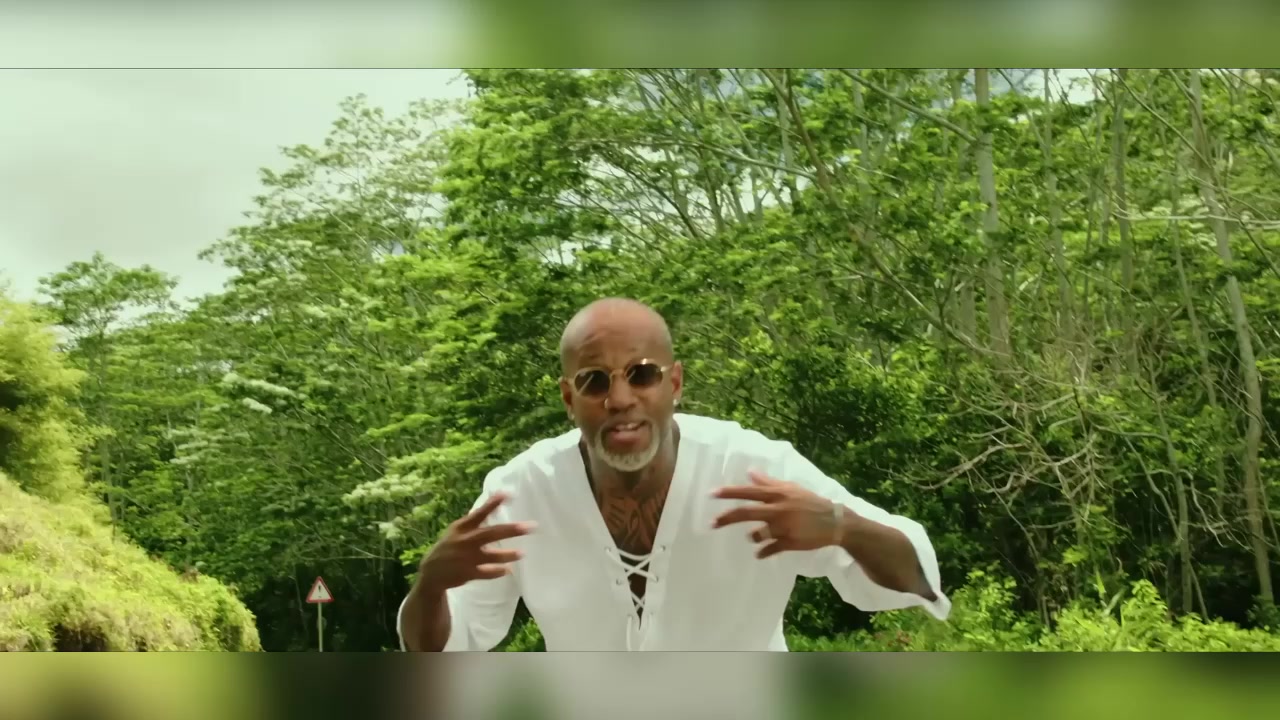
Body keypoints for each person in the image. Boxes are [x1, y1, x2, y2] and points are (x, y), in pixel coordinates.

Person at [397, 298, 950, 651]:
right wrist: (431, 585)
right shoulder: (521, 494)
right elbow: (443, 651)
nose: (620, 398)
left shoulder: (753, 468)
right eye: (594, 381)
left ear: (675, 384)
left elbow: (920, 581)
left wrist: (842, 527)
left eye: (641, 375)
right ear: (568, 398)